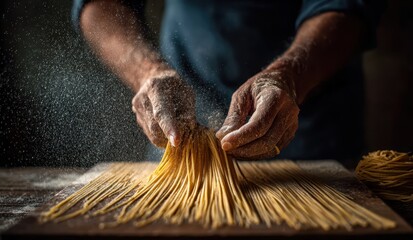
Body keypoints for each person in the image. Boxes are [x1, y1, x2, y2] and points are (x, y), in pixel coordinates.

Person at [72, 0, 384, 161]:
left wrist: (288, 75)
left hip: (309, 122)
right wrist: (148, 71)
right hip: (182, 122)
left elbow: (347, 5)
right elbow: (101, 4)